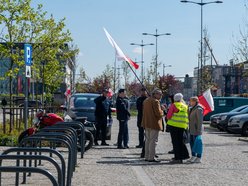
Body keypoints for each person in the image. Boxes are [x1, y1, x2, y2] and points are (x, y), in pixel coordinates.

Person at [142, 88, 165, 162]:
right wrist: (162, 110)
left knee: (148, 140)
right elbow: (158, 114)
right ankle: (151, 157)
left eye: (161, 94)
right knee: (153, 141)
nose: (161, 95)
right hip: (154, 123)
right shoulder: (155, 101)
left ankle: (147, 156)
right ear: (154, 94)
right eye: (159, 94)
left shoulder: (146, 101)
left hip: (146, 123)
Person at [167, 93, 189, 164]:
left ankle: (177, 158)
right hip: (182, 126)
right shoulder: (185, 106)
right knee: (180, 141)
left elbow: (168, 116)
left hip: (174, 126)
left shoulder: (173, 105)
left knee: (175, 142)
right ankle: (184, 155)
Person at [187, 96, 204, 163]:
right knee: (192, 143)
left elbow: (200, 121)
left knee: (197, 144)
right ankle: (193, 156)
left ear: (195, 101)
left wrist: (199, 130)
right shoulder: (192, 108)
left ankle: (198, 157)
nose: (190, 102)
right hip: (191, 129)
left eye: (191, 101)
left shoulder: (199, 109)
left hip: (196, 129)